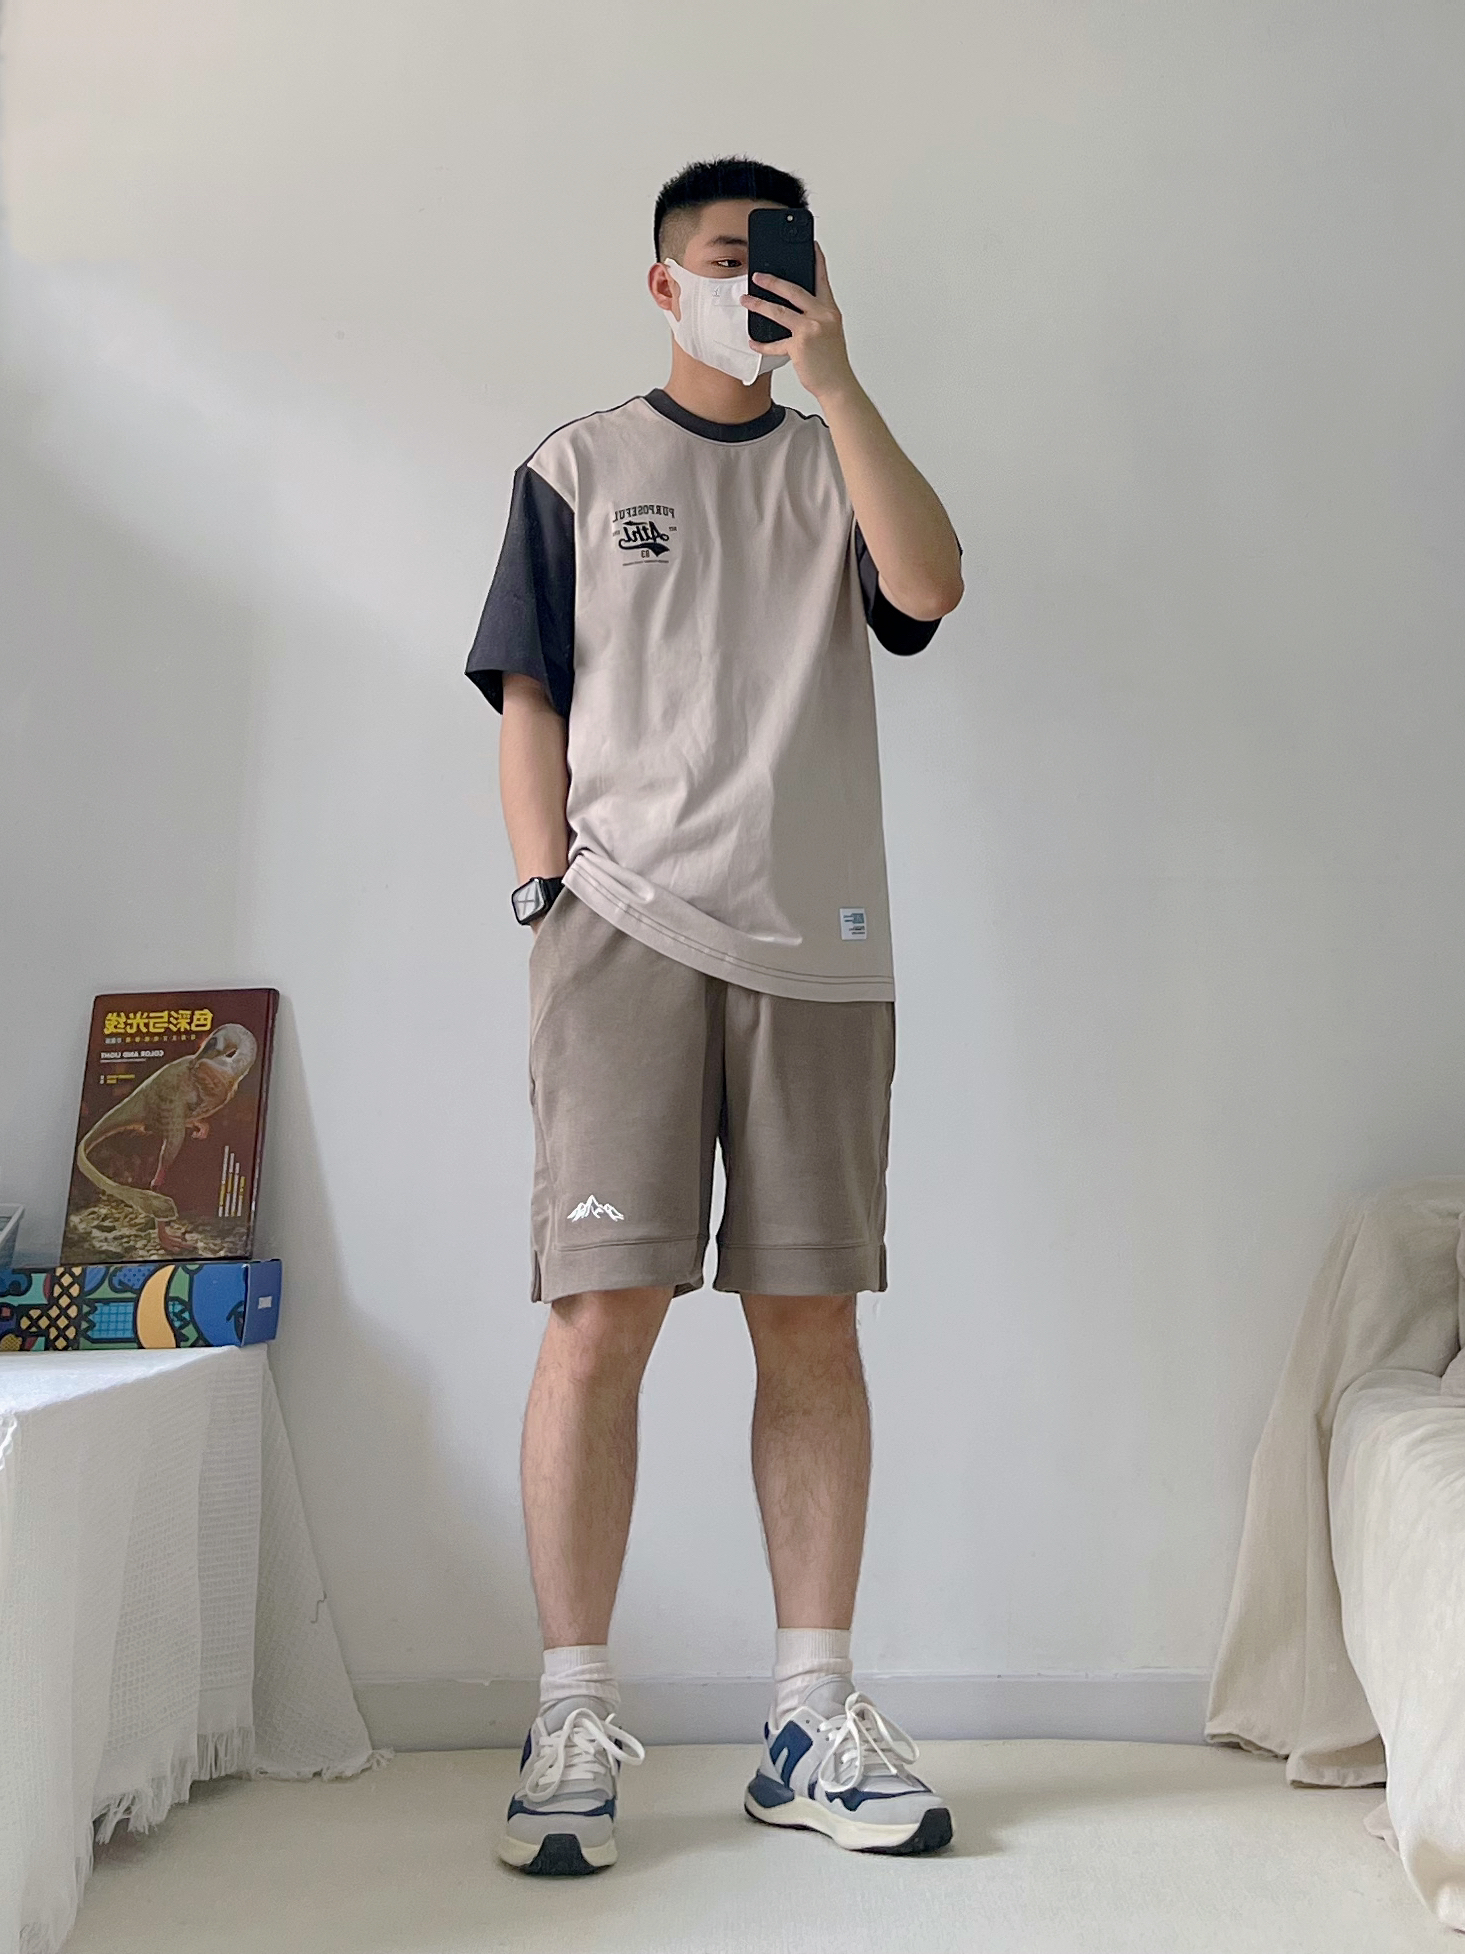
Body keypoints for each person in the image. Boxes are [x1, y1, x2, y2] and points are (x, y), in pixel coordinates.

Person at [466, 155, 964, 1876]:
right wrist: (544, 890)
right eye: (717, 257)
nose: (744, 284)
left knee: (809, 1323)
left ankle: (809, 1715)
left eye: (774, 260)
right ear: (659, 279)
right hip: (619, 934)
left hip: (818, 950)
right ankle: (571, 1717)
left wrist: (839, 383)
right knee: (597, 1320)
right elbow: (527, 694)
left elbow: (930, 588)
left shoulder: (834, 461)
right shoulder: (578, 468)